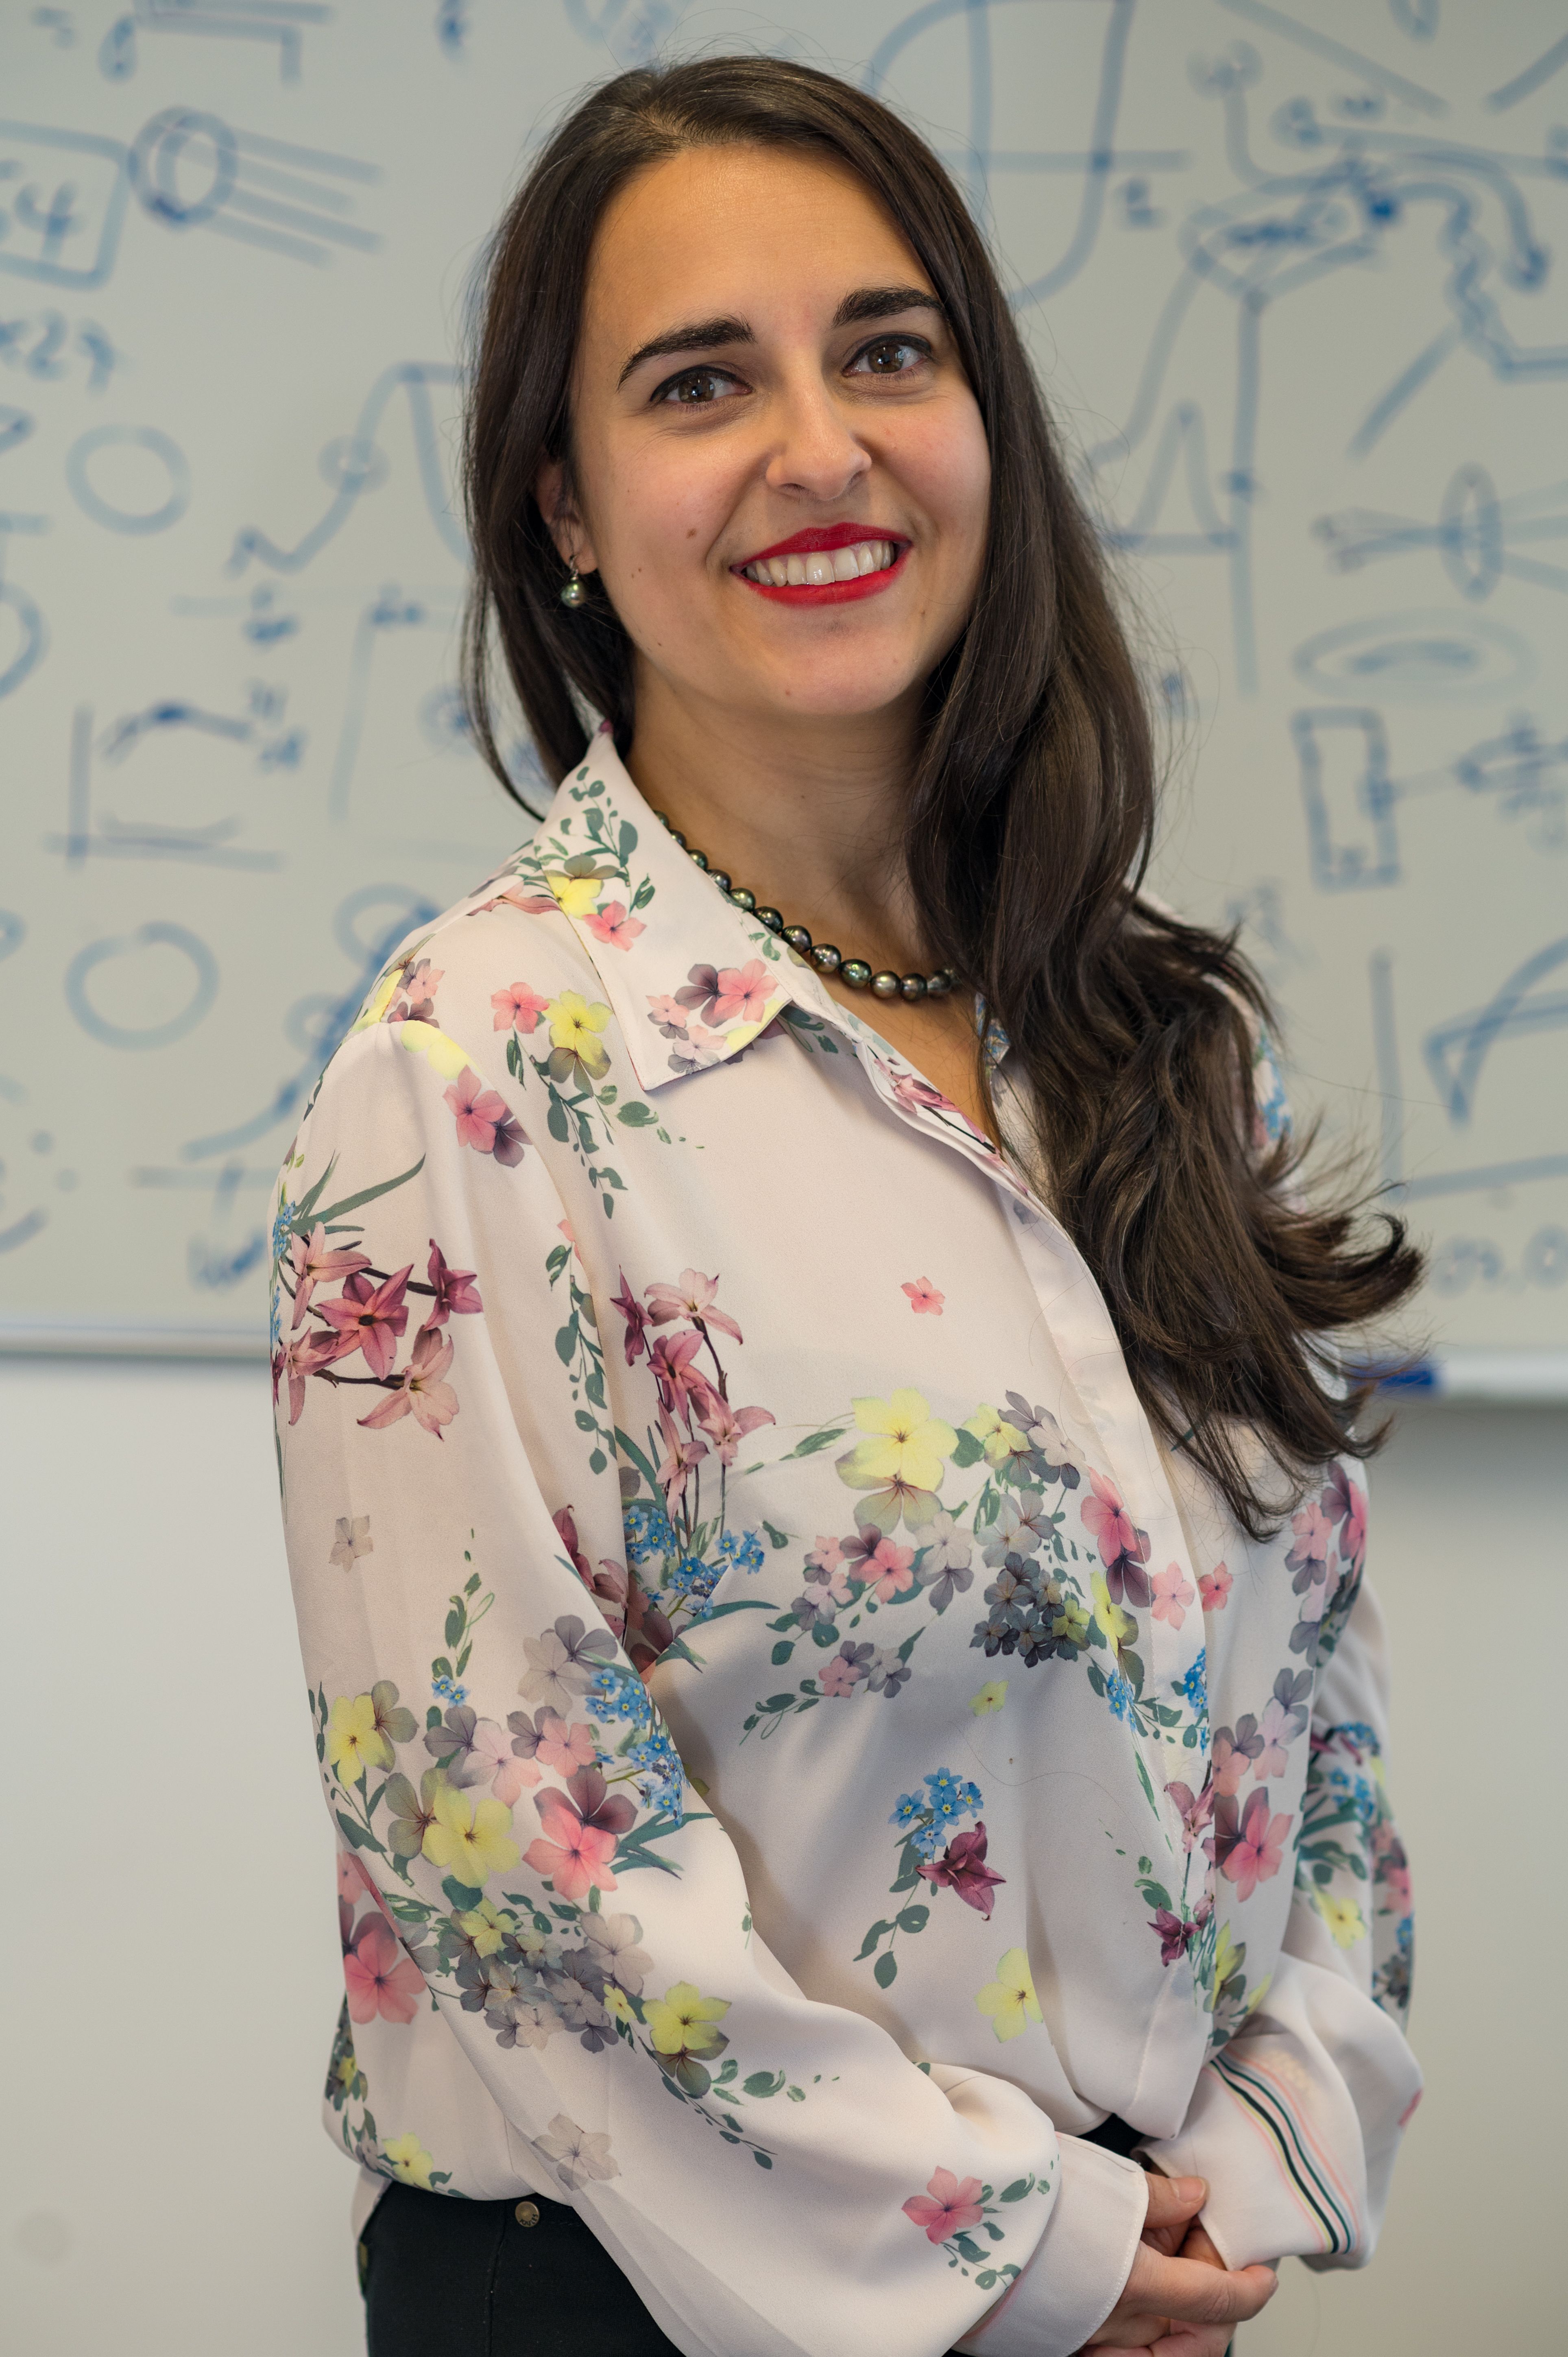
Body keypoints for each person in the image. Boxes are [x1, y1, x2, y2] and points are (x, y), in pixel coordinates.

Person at [273, 54, 1422, 2357]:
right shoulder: (471, 1070)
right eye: (703, 383)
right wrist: (1035, 2252)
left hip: (1143, 2275)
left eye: (888, 351)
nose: (823, 447)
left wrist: (1275, 2127)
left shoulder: (1159, 1033)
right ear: (565, 508)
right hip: (656, 2303)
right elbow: (518, 1856)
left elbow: (1313, 1696)